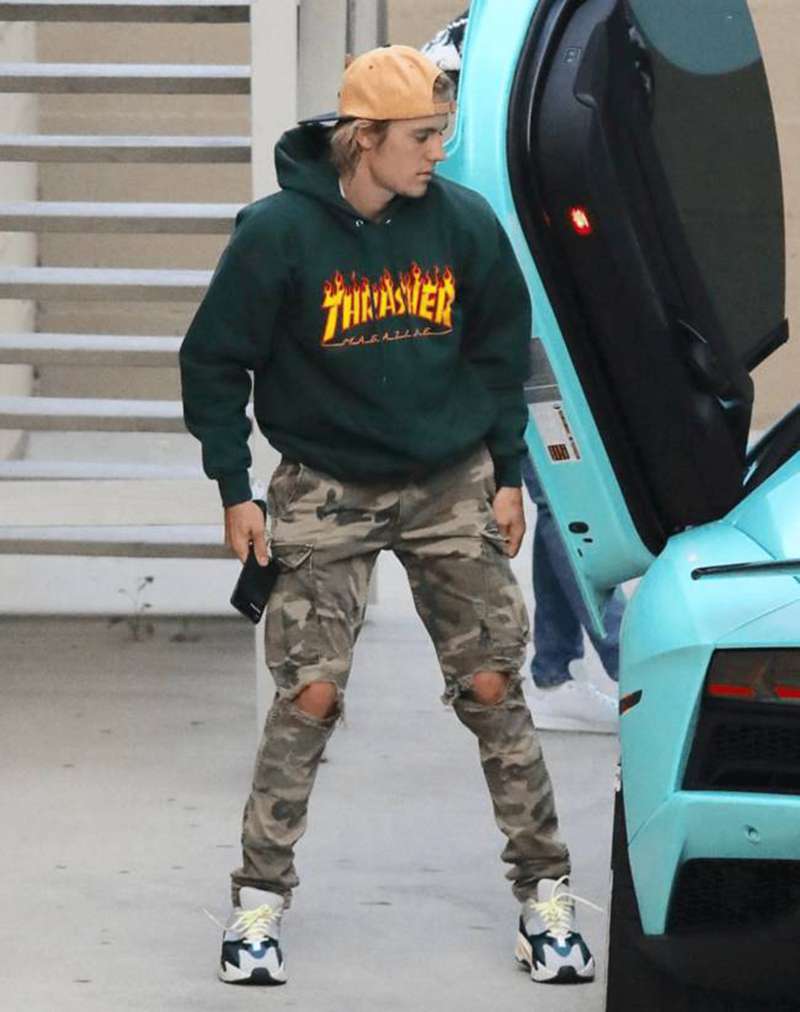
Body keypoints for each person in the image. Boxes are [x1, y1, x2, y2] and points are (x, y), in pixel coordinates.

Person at [180, 45, 597, 989]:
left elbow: (503, 349)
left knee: (492, 684)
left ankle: (546, 897)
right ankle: (257, 905)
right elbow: (212, 360)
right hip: (326, 482)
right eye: (420, 137)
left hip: (449, 477)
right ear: (363, 138)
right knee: (309, 695)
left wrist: (506, 471)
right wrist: (234, 486)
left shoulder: (463, 222)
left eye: (441, 134)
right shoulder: (278, 234)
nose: (436, 154)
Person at [423, 10, 623, 735]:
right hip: (500, 330)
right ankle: (631, 661)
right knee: (563, 493)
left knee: (558, 492)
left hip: (524, 317)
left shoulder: (498, 47)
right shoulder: (468, 63)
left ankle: (555, 672)